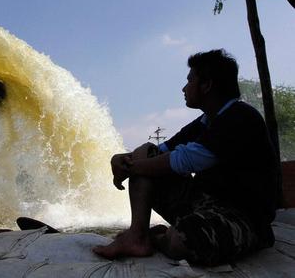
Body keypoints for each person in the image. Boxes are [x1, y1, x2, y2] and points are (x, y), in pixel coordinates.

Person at [93, 49, 278, 266]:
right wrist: (120, 158)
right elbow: (160, 151)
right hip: (205, 203)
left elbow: (185, 160)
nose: (184, 87)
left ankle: (160, 238)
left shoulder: (240, 118)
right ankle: (138, 236)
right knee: (146, 150)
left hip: (244, 217)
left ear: (206, 85)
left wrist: (130, 168)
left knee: (181, 242)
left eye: (189, 80)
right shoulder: (205, 121)